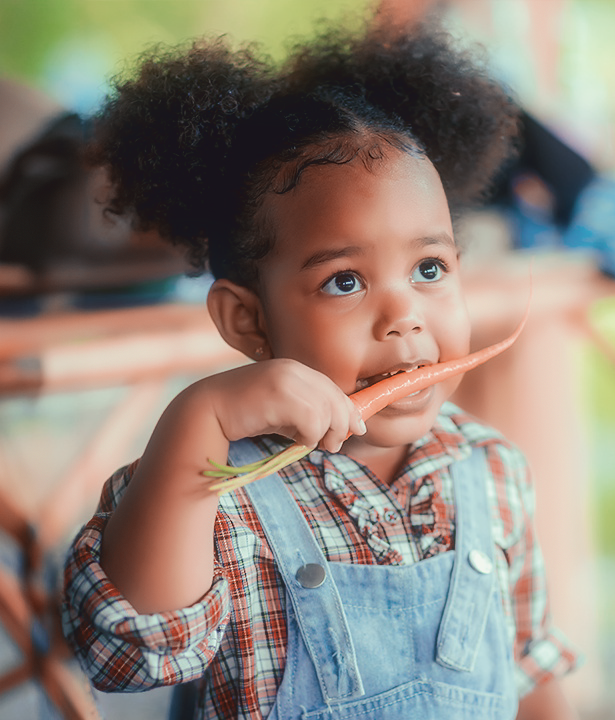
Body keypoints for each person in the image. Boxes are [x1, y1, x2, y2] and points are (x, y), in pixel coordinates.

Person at [60, 15, 579, 720]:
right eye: (344, 281)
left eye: (430, 268)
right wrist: (198, 419)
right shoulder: (217, 490)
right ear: (249, 320)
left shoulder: (492, 470)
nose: (404, 316)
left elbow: (528, 671)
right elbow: (132, 652)